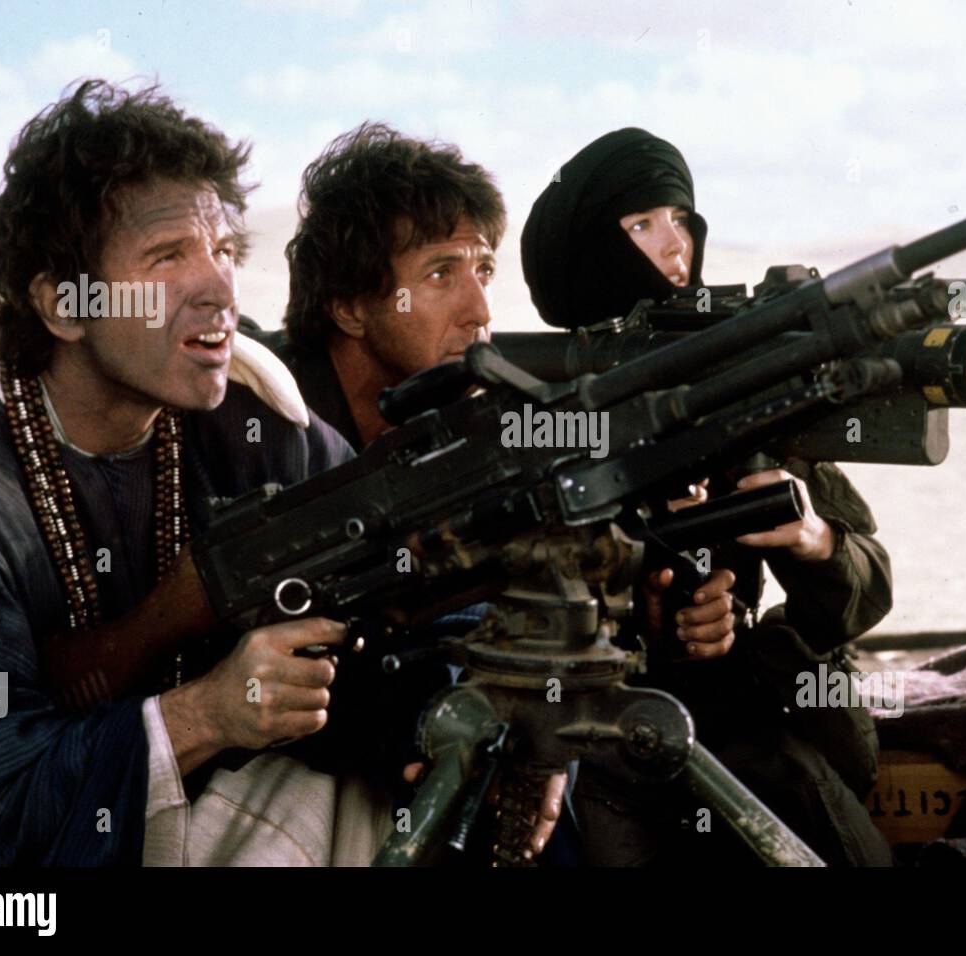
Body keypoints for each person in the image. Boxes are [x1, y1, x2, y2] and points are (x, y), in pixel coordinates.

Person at [0, 80, 390, 866]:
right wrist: (202, 718)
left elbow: (405, 546)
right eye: (168, 256)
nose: (220, 288)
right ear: (63, 305)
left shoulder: (253, 417)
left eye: (225, 252)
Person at [242, 123, 744, 862]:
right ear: (349, 306)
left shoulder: (461, 418)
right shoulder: (268, 426)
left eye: (483, 270)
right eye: (442, 274)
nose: (479, 310)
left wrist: (653, 610)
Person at [521, 127, 895, 866]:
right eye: (642, 224)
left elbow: (869, 591)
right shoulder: (548, 416)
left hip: (747, 730)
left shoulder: (735, 386)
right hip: (609, 745)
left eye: (681, 219)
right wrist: (645, 619)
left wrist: (815, 540)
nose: (674, 244)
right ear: (589, 248)